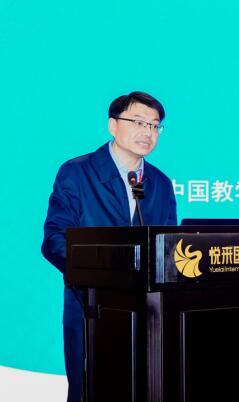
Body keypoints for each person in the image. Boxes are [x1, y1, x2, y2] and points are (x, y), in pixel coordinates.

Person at [41, 91, 177, 402]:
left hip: (149, 312)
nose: (147, 132)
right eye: (138, 122)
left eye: (154, 125)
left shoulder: (161, 183)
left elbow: (168, 247)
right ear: (112, 125)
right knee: (91, 390)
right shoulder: (77, 173)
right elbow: (53, 240)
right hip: (91, 307)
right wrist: (100, 270)